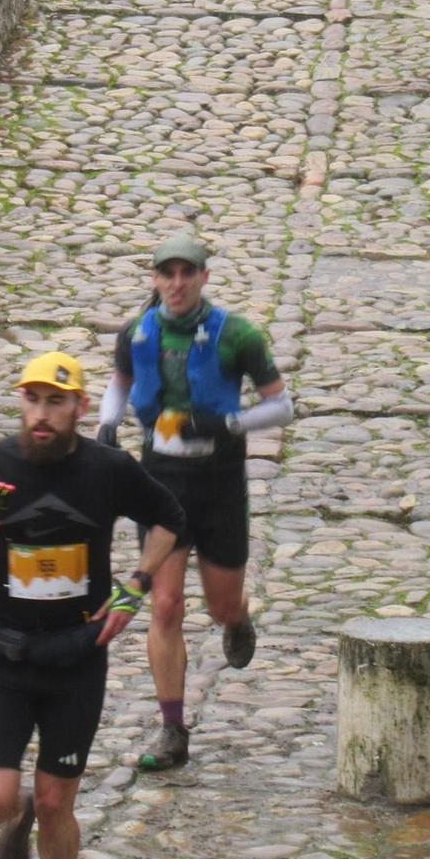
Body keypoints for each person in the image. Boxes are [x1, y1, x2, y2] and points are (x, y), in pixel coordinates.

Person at [0, 352, 182, 859]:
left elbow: (169, 519)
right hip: (6, 653)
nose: (41, 415)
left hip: (77, 656)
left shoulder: (108, 469)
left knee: (55, 802)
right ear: (21, 403)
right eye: (32, 401)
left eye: (55, 403)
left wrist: (133, 587)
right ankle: (16, 824)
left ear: (78, 408)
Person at [96, 232, 292, 771]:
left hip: (219, 480)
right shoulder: (137, 333)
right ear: (155, 279)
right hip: (160, 481)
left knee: (220, 603)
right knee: (164, 604)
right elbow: (119, 382)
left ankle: (237, 619)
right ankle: (172, 729)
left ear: (204, 277)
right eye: (168, 274)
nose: (177, 284)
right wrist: (107, 424)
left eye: (188, 273)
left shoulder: (238, 336)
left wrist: (230, 422)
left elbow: (282, 406)